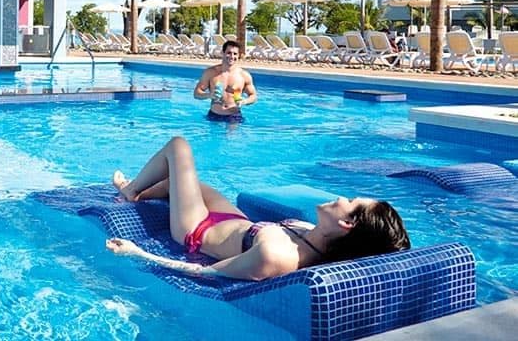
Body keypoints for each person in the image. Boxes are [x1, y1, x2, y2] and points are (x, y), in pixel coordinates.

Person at [106, 136, 410, 281]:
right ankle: (139, 190)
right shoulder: (313, 234)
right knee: (180, 181)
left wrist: (137, 252)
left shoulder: (278, 256)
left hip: (196, 229)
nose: (342, 197)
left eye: (351, 202)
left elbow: (205, 272)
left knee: (179, 147)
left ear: (347, 224)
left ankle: (131, 191)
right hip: (235, 221)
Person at [193, 40, 257, 122]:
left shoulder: (243, 75)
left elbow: (253, 96)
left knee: (233, 134)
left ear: (239, 56)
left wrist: (244, 101)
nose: (232, 56)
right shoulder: (211, 72)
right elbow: (196, 94)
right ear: (222, 53)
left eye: (235, 54)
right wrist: (209, 95)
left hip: (234, 116)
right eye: (229, 52)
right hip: (214, 115)